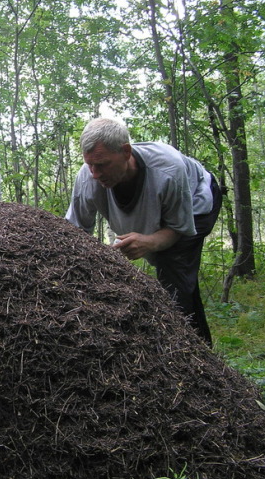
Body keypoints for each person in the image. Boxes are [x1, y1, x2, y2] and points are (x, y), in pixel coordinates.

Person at [65, 117, 222, 345]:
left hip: (197, 200)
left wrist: (149, 242)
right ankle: (196, 342)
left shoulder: (168, 170)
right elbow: (74, 232)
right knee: (177, 279)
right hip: (164, 210)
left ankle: (188, 354)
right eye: (90, 164)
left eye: (103, 164)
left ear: (126, 152)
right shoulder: (88, 178)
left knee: (174, 271)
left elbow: (178, 228)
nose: (95, 173)